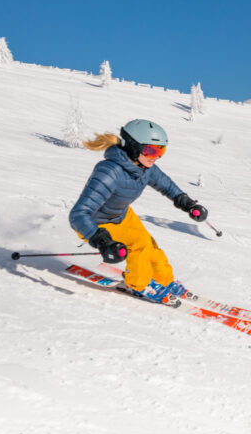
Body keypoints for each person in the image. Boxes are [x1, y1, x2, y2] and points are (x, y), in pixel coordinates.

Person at [69, 119, 207, 306]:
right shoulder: (109, 171)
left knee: (150, 245)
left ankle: (163, 280)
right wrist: (102, 241)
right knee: (139, 244)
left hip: (122, 215)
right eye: (151, 150)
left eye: (161, 150)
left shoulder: (145, 168)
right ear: (133, 147)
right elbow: (78, 214)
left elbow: (167, 185)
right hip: (96, 224)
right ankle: (138, 283)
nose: (156, 156)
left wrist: (187, 203)